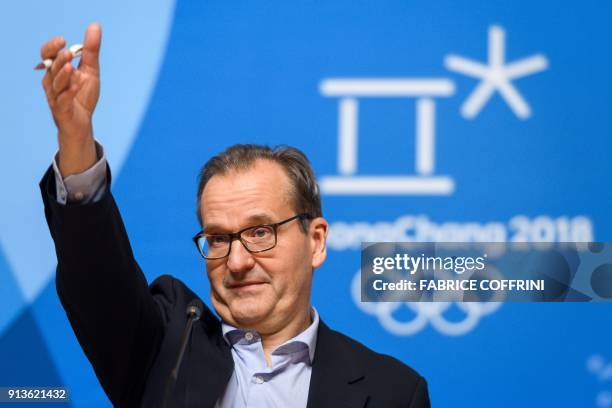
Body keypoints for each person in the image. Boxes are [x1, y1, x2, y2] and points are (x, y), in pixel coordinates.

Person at [38, 23, 431, 407]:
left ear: (316, 241)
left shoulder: (392, 390)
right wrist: (76, 141)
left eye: (260, 232)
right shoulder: (165, 350)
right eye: (220, 238)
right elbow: (96, 279)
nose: (237, 262)